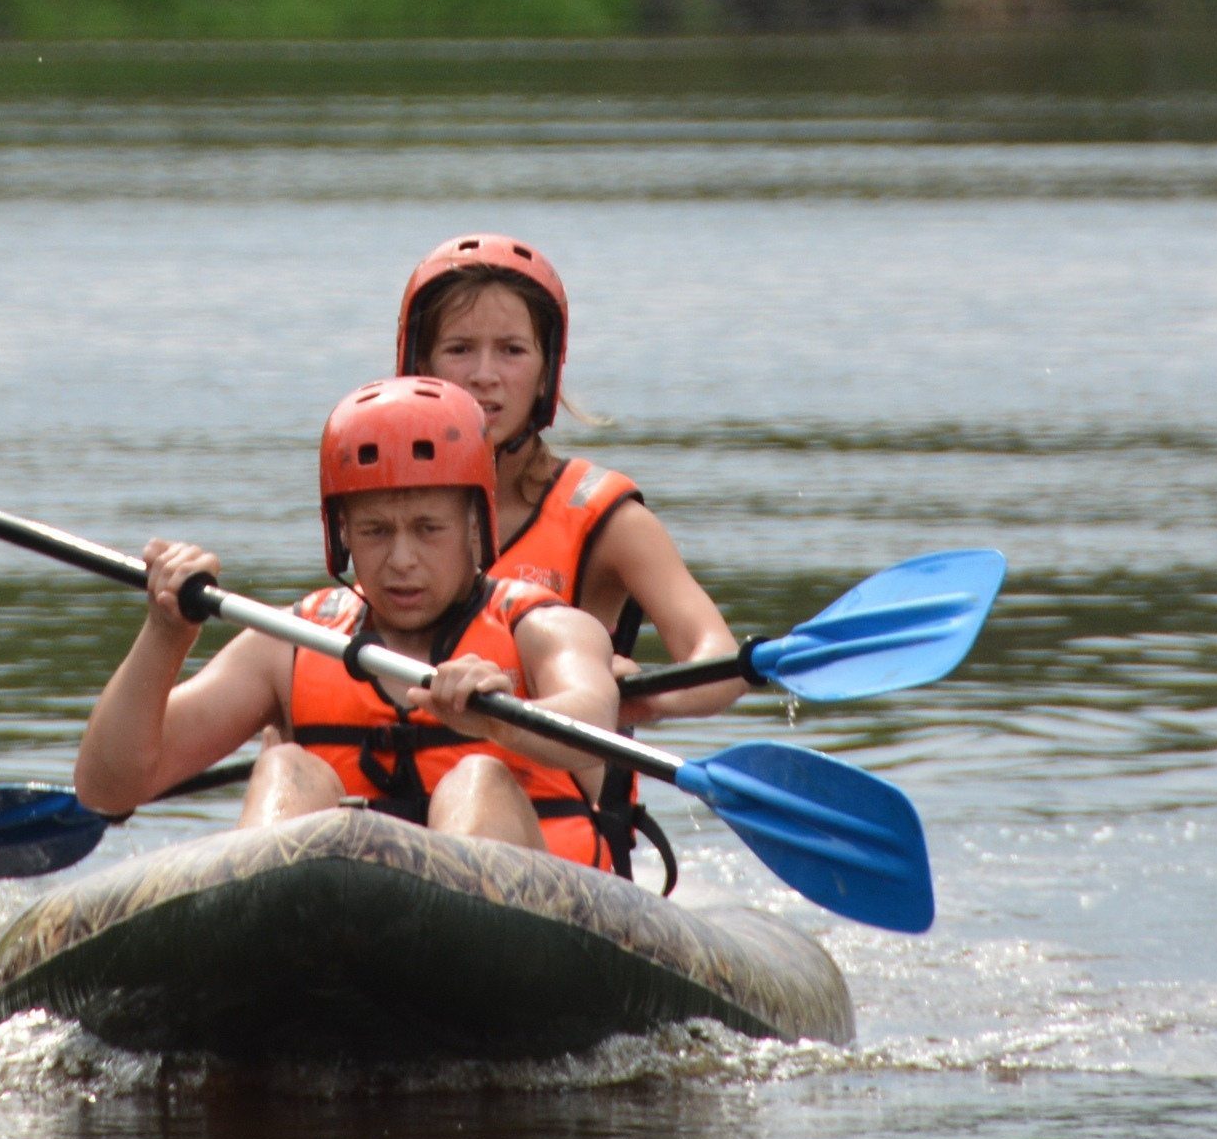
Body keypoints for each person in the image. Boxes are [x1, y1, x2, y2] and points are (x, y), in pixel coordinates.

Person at [74, 376, 627, 865]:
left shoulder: (543, 625)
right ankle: (269, 928)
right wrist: (165, 635)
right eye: (375, 531)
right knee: (288, 768)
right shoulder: (292, 642)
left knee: (477, 781)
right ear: (341, 535)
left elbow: (595, 725)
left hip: (527, 919)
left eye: (429, 529)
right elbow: (108, 787)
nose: (402, 559)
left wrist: (501, 721)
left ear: (475, 528)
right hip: (339, 932)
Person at [395, 233, 748, 880]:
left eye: (511, 350)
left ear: (546, 372)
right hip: (411, 823)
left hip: (560, 853)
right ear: (418, 365)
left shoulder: (604, 517)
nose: (483, 374)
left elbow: (720, 664)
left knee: (481, 785)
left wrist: (638, 698)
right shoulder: (383, 514)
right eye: (459, 348)